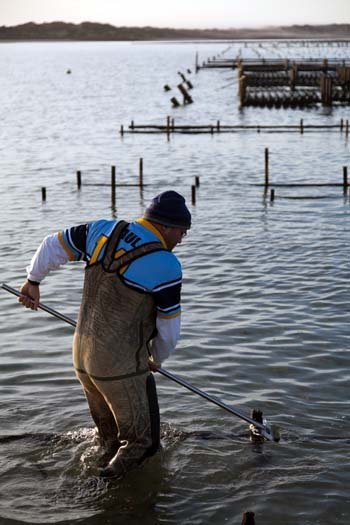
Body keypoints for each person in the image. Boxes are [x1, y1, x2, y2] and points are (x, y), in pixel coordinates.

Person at [19, 190, 191, 479]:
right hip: (118, 368)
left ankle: (98, 482)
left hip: (81, 359)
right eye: (182, 231)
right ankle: (102, 494)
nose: (182, 238)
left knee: (109, 439)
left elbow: (52, 244)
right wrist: (155, 357)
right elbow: (169, 328)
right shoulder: (166, 264)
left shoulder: (103, 228)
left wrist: (32, 281)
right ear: (165, 226)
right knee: (142, 445)